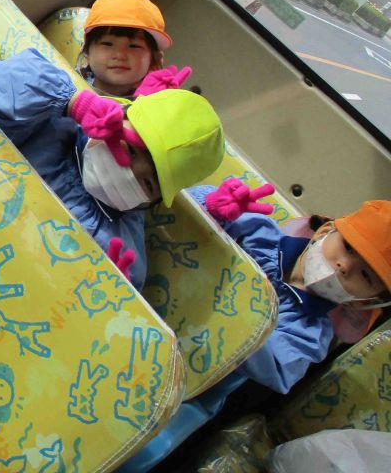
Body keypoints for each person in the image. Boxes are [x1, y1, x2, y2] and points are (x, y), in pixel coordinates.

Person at [117, 193, 391, 472]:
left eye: (365, 276)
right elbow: (177, 211)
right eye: (348, 247)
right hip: (139, 327)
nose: (345, 266)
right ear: (325, 230)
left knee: (129, 449)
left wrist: (229, 304)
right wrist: (212, 207)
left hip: (186, 393)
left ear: (367, 301)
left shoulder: (309, 335)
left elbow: (271, 363)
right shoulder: (258, 232)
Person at [0, 48, 225, 289]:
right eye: (132, 150)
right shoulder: (52, 127)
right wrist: (73, 104)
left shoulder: (124, 248)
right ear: (119, 115)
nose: (130, 173)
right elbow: (6, 81)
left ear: (155, 201)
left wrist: (111, 292)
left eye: (149, 183)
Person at [78, 0, 191, 98]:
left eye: (134, 46)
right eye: (107, 44)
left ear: (154, 60)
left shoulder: (157, 101)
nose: (120, 55)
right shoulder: (71, 87)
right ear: (86, 50)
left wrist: (158, 104)